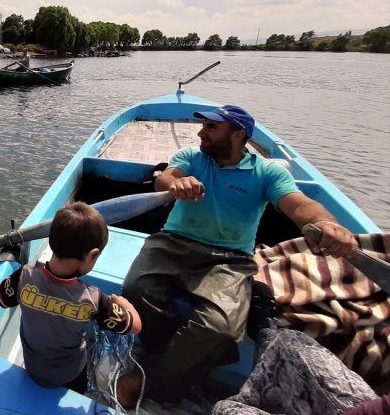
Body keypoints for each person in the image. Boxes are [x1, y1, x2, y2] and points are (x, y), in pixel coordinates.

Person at [119, 104, 357, 404]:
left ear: (238, 134)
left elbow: (298, 205)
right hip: (172, 243)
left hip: (229, 259)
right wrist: (176, 183)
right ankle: (176, 365)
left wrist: (325, 224)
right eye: (203, 126)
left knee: (222, 330)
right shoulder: (193, 157)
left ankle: (149, 380)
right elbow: (166, 178)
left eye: (211, 128)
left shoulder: (266, 172)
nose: (201, 133)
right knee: (136, 291)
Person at [0, 202, 142, 394]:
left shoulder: (23, 277)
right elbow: (134, 326)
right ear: (93, 255)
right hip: (71, 377)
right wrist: (127, 306)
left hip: (34, 371)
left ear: (51, 242)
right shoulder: (94, 298)